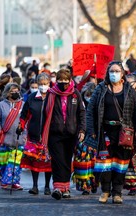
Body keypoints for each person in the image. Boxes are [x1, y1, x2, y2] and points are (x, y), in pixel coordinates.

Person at [86, 61, 136, 204]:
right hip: (105, 131)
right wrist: (91, 130)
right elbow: (90, 110)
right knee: (105, 163)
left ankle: (117, 193)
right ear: (107, 73)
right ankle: (105, 191)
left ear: (122, 73)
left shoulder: (129, 90)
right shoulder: (101, 89)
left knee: (121, 163)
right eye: (112, 71)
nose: (114, 74)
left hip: (124, 132)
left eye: (117, 71)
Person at [41, 68, 86, 199]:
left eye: (66, 81)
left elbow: (82, 113)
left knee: (66, 160)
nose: (63, 83)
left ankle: (65, 188)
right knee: (58, 160)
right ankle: (57, 187)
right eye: (60, 81)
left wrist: (82, 130)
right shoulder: (51, 94)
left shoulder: (75, 94)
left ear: (70, 81)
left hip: (71, 134)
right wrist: (42, 133)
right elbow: (45, 114)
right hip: (54, 134)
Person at [18, 73, 52, 195]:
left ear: (49, 84)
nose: (43, 86)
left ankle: (47, 186)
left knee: (48, 162)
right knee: (34, 161)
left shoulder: (53, 97)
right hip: (34, 135)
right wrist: (20, 126)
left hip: (49, 136)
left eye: (45, 84)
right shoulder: (32, 97)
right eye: (41, 84)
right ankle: (35, 186)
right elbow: (24, 115)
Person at [0, 83, 26, 190]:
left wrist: (25, 134)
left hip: (18, 139)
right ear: (7, 93)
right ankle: (5, 178)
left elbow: (27, 121)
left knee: (15, 162)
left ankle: (14, 181)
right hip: (4, 138)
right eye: (13, 92)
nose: (16, 93)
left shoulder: (22, 105)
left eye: (17, 91)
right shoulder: (1, 105)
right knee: (3, 162)